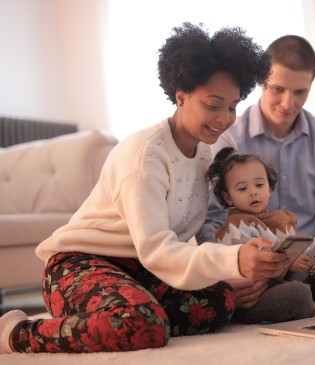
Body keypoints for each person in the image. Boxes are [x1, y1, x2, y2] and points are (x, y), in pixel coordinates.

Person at [0, 22, 292, 354]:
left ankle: (116, 309)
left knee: (220, 299)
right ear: (181, 96)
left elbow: (177, 244)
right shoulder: (145, 156)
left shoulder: (202, 153)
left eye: (232, 106)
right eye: (214, 105)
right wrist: (233, 260)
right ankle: (18, 332)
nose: (225, 118)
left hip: (142, 270)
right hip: (79, 265)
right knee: (140, 324)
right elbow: (157, 249)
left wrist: (229, 271)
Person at [197, 35, 315, 311]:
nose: (288, 103)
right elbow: (210, 221)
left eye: (300, 92)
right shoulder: (228, 138)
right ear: (261, 82)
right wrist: (230, 273)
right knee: (295, 299)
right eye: (278, 89)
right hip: (256, 265)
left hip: (314, 259)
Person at [206, 146, 315, 323]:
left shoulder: (280, 219)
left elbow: (295, 252)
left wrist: (311, 261)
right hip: (256, 298)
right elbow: (256, 266)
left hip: (287, 281)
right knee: (298, 295)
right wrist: (288, 264)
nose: (253, 191)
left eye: (259, 185)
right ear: (228, 197)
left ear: (269, 188)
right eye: (242, 188)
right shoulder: (236, 227)